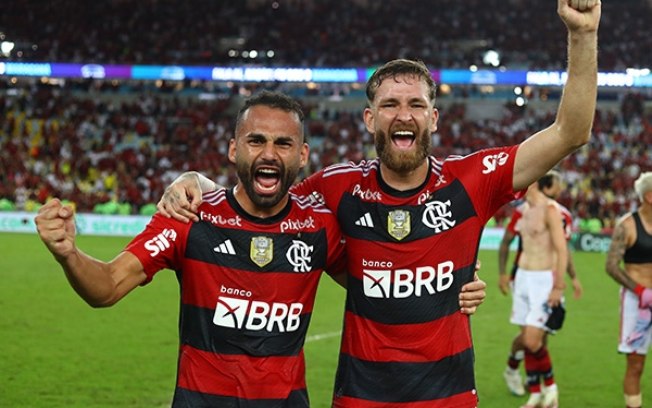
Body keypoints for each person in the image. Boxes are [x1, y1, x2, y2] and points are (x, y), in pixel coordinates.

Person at [158, 2, 601, 405]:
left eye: (416, 104)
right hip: (360, 396)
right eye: (389, 104)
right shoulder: (336, 187)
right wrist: (195, 179)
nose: (403, 114)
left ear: (434, 117)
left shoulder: (472, 180)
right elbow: (260, 199)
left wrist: (582, 36)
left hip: (447, 396)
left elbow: (570, 132)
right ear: (371, 118)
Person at [36, 91, 349, 407]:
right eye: (256, 141)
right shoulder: (189, 216)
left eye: (283, 143)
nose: (269, 154)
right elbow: (106, 287)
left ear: (303, 154)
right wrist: (68, 254)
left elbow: (374, 286)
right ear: (233, 149)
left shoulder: (318, 226)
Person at [498, 171, 583, 398]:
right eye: (558, 184)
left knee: (536, 338)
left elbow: (562, 249)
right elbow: (506, 243)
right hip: (522, 277)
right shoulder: (522, 212)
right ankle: (528, 379)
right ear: (546, 186)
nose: (560, 189)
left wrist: (565, 280)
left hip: (545, 277)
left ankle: (536, 385)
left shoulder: (556, 212)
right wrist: (503, 274)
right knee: (531, 337)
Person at [605, 171, 652, 408]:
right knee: (636, 364)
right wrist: (641, 290)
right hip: (638, 304)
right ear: (649, 196)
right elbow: (611, 266)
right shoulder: (627, 225)